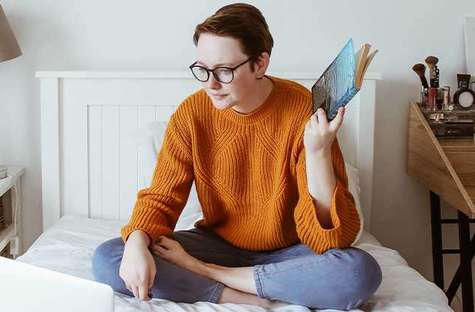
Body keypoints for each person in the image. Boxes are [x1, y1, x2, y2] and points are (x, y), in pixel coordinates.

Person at [92, 3, 381, 310]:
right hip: (217, 243)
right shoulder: (192, 114)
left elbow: (331, 241)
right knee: (109, 257)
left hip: (291, 251)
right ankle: (240, 292)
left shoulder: (301, 109)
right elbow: (162, 197)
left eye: (224, 71)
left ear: (260, 64)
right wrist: (137, 240)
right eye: (202, 69)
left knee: (358, 271)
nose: (210, 84)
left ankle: (215, 277)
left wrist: (318, 152)